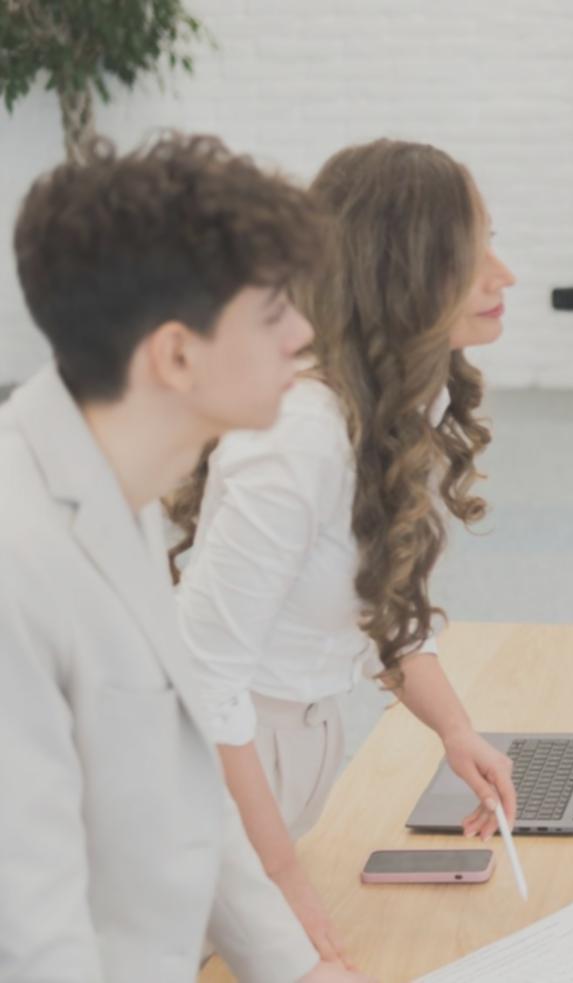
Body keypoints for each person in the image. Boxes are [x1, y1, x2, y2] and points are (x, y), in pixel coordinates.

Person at [0, 134, 366, 981]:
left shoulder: (113, 487)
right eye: (274, 313)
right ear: (174, 354)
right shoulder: (20, 561)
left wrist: (298, 966)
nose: (306, 333)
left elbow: (176, 790)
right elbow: (30, 929)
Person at [169, 139, 519, 964]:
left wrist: (455, 729)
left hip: (273, 771)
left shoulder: (395, 405)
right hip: (200, 787)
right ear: (401, 272)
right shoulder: (298, 437)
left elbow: (383, 606)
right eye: (474, 256)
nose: (504, 274)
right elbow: (199, 682)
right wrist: (279, 876)